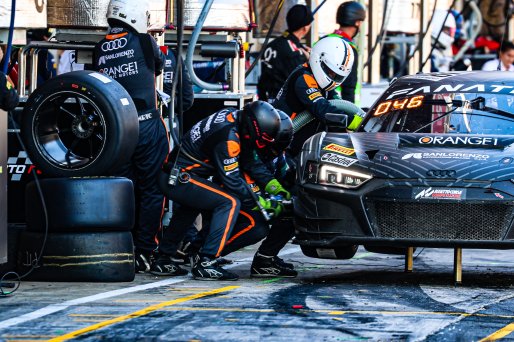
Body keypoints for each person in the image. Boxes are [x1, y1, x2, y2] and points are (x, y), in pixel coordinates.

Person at [157, 101, 286, 280]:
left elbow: (249, 161)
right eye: (262, 139)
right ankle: (206, 262)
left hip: (181, 174)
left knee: (192, 206)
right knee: (229, 202)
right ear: (253, 127)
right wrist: (262, 204)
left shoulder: (234, 118)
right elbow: (233, 182)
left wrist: (275, 186)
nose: (263, 145)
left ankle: (162, 258)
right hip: (178, 178)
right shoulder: (228, 139)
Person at [92, 0, 168, 273]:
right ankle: (145, 251)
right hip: (146, 124)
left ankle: (121, 246)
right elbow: (158, 67)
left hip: (116, 131)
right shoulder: (145, 41)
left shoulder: (99, 47)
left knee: (125, 188)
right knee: (153, 188)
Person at [273, 36, 361, 156]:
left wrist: (359, 117)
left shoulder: (322, 84)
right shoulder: (303, 78)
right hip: (285, 147)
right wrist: (351, 121)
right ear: (318, 60)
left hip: (306, 146)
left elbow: (338, 104)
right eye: (331, 73)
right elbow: (322, 109)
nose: (333, 78)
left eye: (337, 76)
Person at [257, 4, 314, 102]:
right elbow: (301, 83)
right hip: (283, 105)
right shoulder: (296, 52)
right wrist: (310, 62)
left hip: (264, 102)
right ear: (305, 28)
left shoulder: (272, 44)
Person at [327, 1, 366, 103]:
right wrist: (352, 115)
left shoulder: (323, 41)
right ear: (357, 22)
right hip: (341, 108)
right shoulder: (349, 48)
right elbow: (349, 86)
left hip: (321, 105)